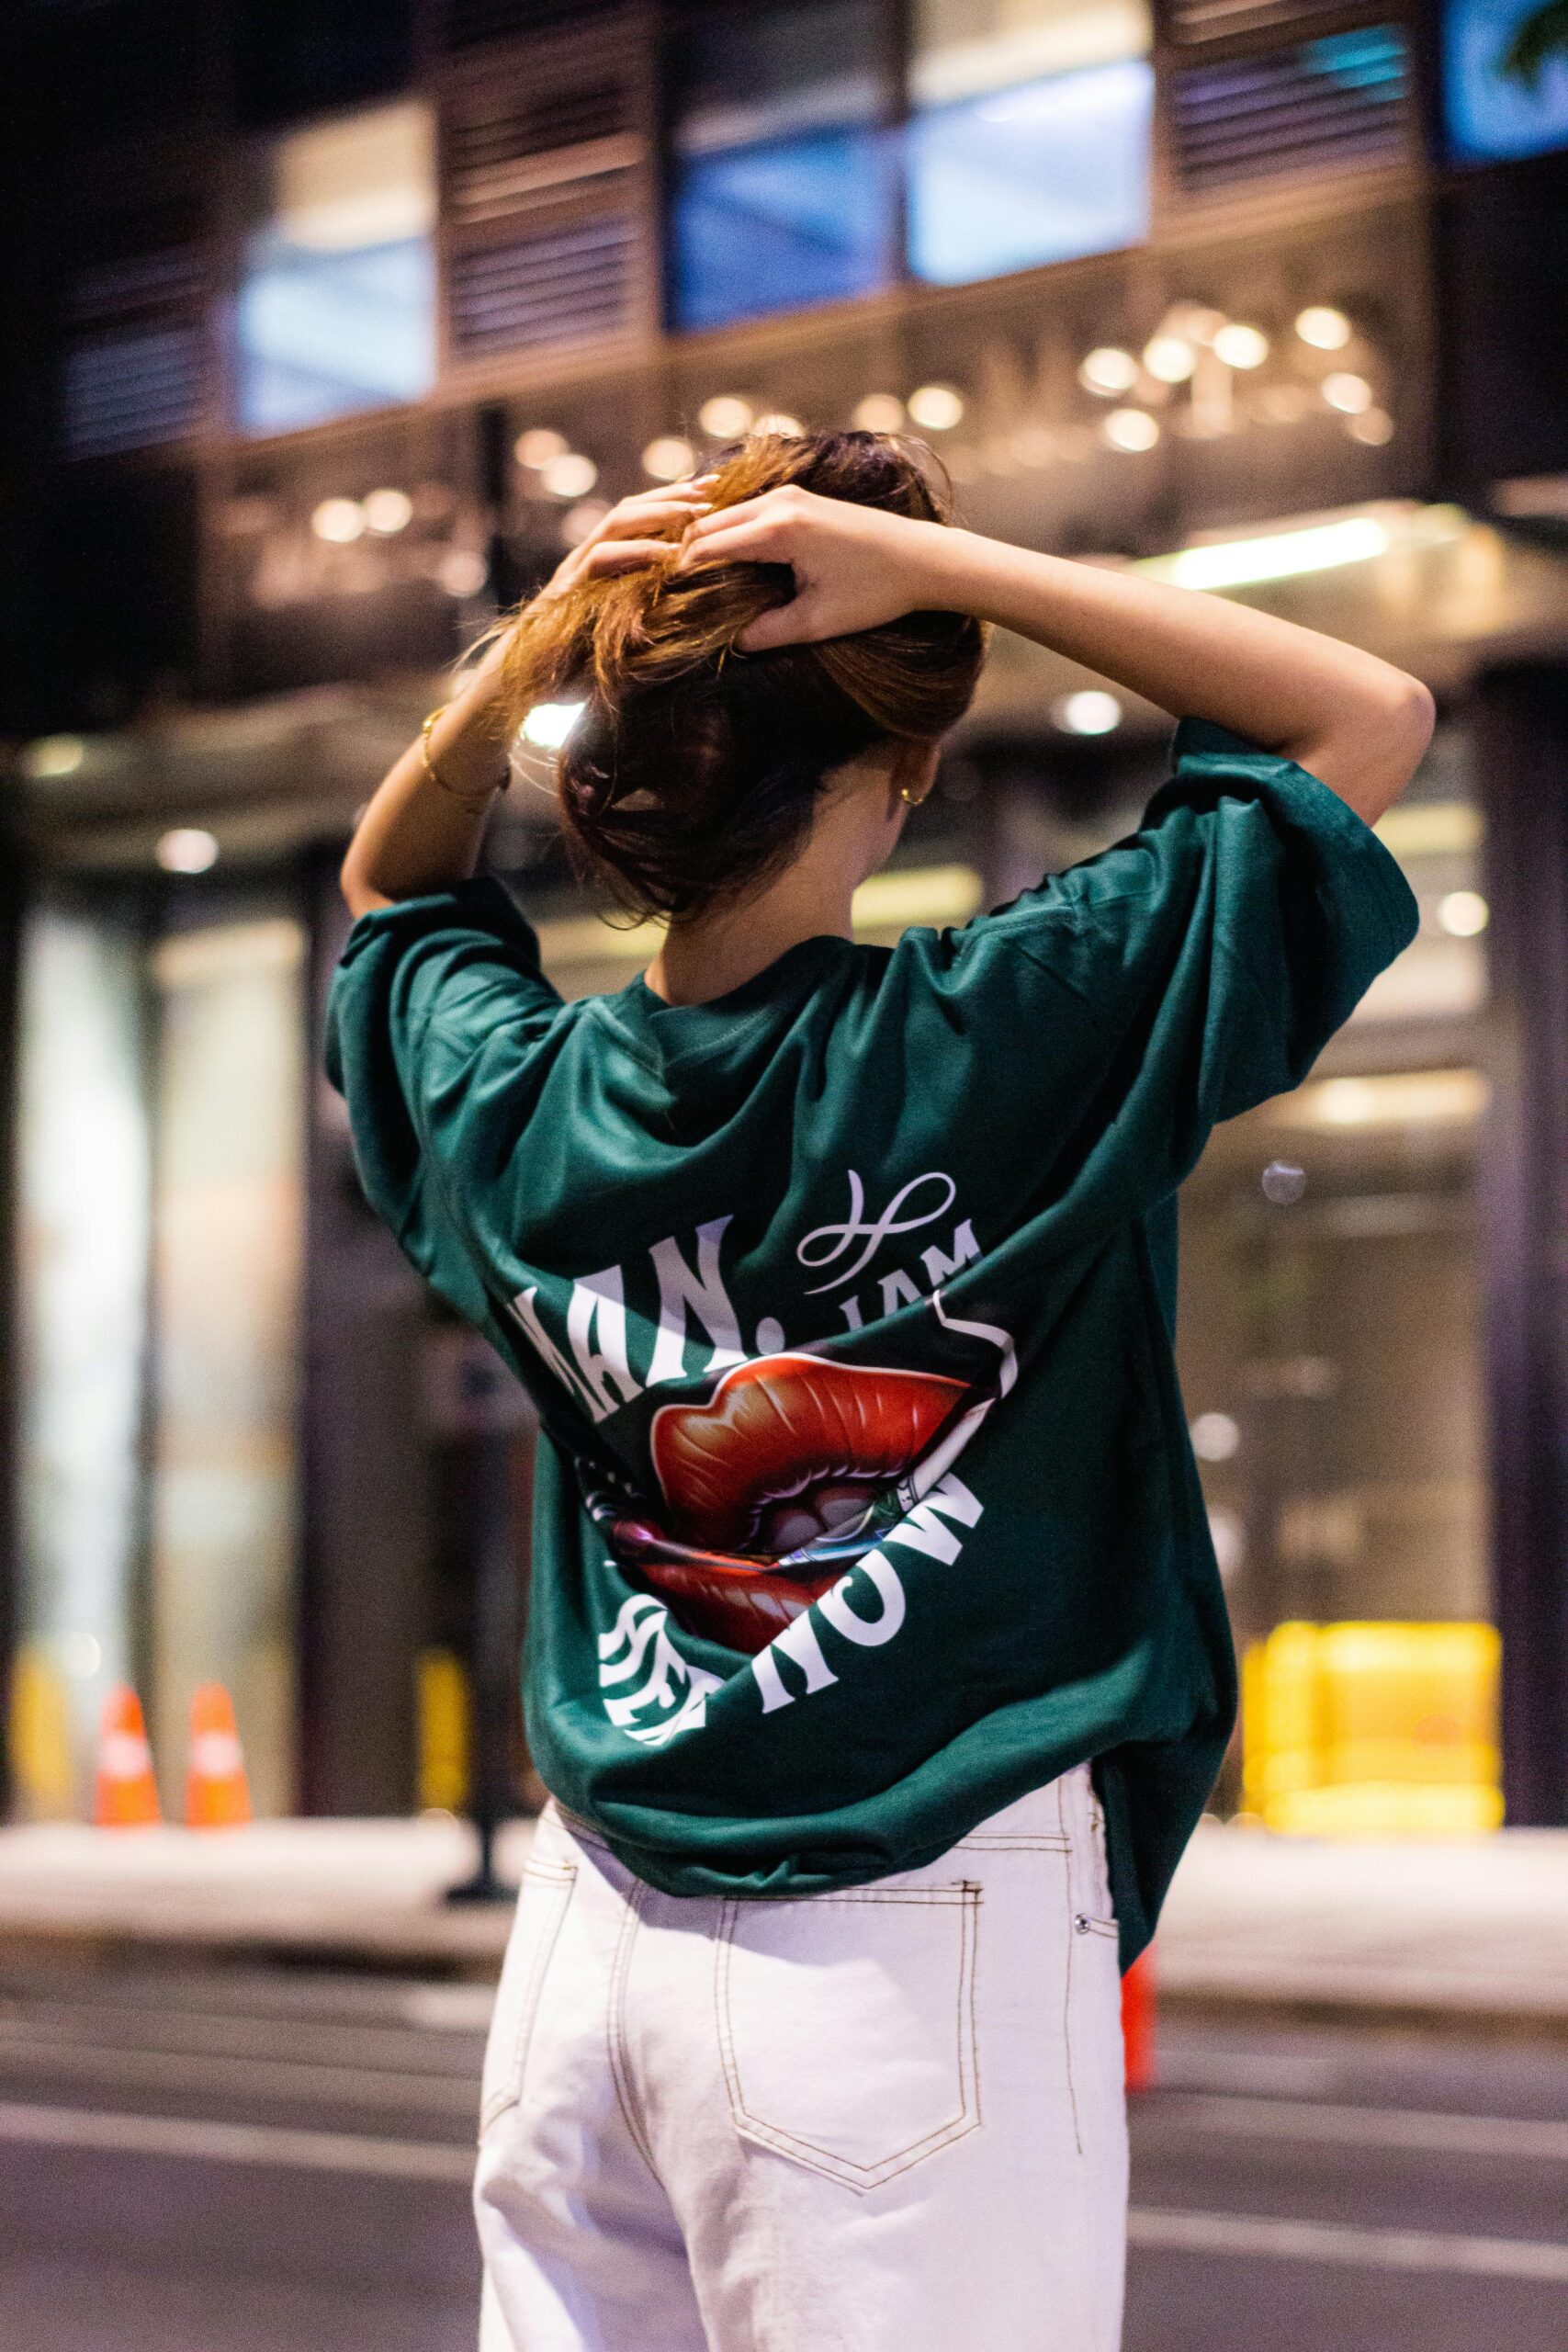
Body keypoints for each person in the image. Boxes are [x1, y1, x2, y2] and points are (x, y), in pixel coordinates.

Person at [327, 430, 1432, 2350]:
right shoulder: (999, 1035)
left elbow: (389, 885)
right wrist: (962, 569)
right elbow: (1364, 711)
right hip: (915, 1900)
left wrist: (535, 651)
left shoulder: (514, 1101)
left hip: (591, 1929)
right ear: (909, 756)